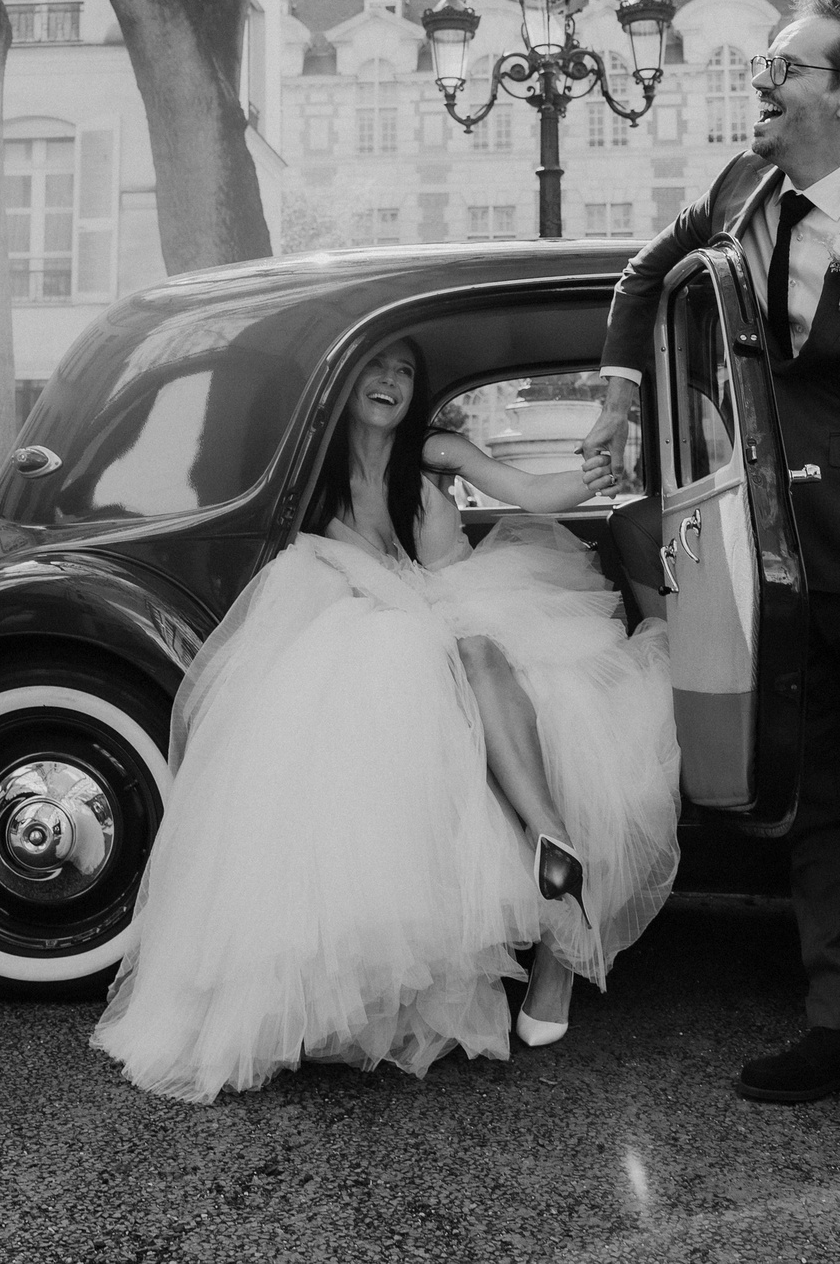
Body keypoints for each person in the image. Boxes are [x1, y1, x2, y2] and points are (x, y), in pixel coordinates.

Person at [578, 0, 840, 1137]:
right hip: (769, 572)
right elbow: (639, 280)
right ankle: (839, 1019)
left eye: (787, 65)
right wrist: (621, 394)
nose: (763, 77)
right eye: (764, 61)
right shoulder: (736, 193)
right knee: (820, 803)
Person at [90, 339, 680, 1104]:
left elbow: (528, 494)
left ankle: (546, 838)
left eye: (404, 371)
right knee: (433, 665)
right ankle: (554, 846)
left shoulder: (432, 453)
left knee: (495, 659)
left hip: (477, 606)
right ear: (346, 379)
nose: (391, 383)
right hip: (382, 622)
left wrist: (595, 475)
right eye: (377, 367)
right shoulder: (309, 475)